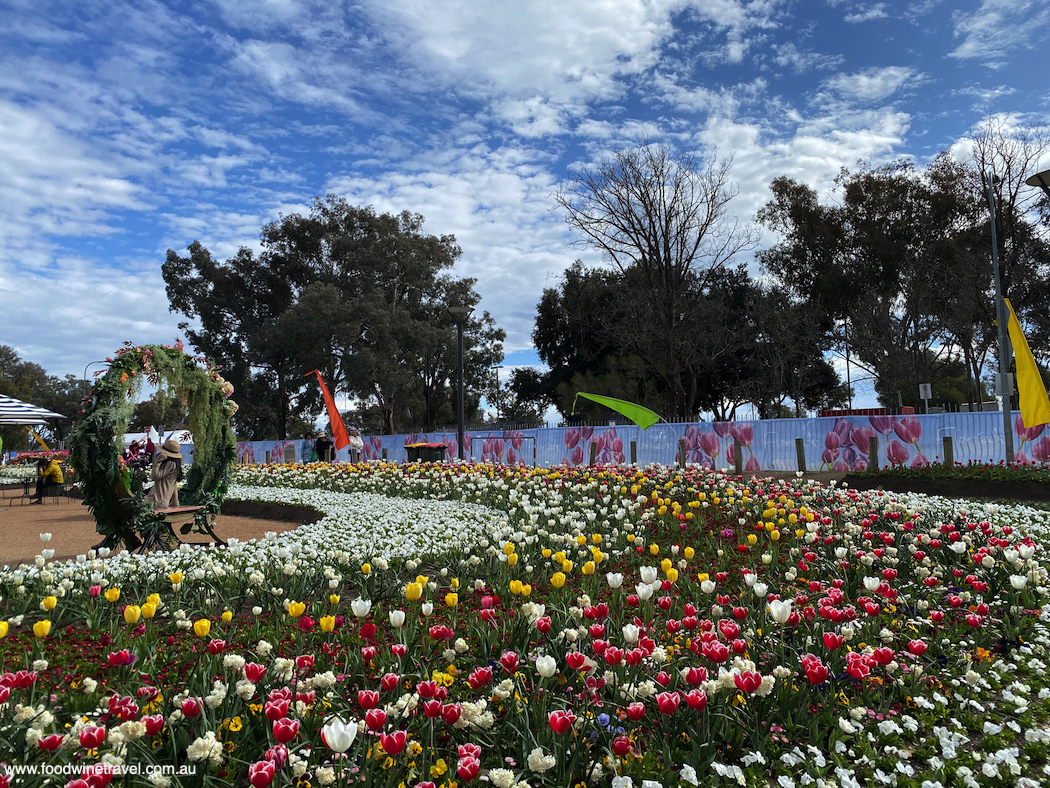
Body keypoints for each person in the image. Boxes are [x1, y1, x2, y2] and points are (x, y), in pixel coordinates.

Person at [144, 439, 182, 507]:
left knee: (134, 501)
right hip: (163, 502)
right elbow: (173, 484)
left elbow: (154, 476)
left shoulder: (170, 463)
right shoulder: (176, 464)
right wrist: (175, 501)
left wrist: (158, 461)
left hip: (156, 501)